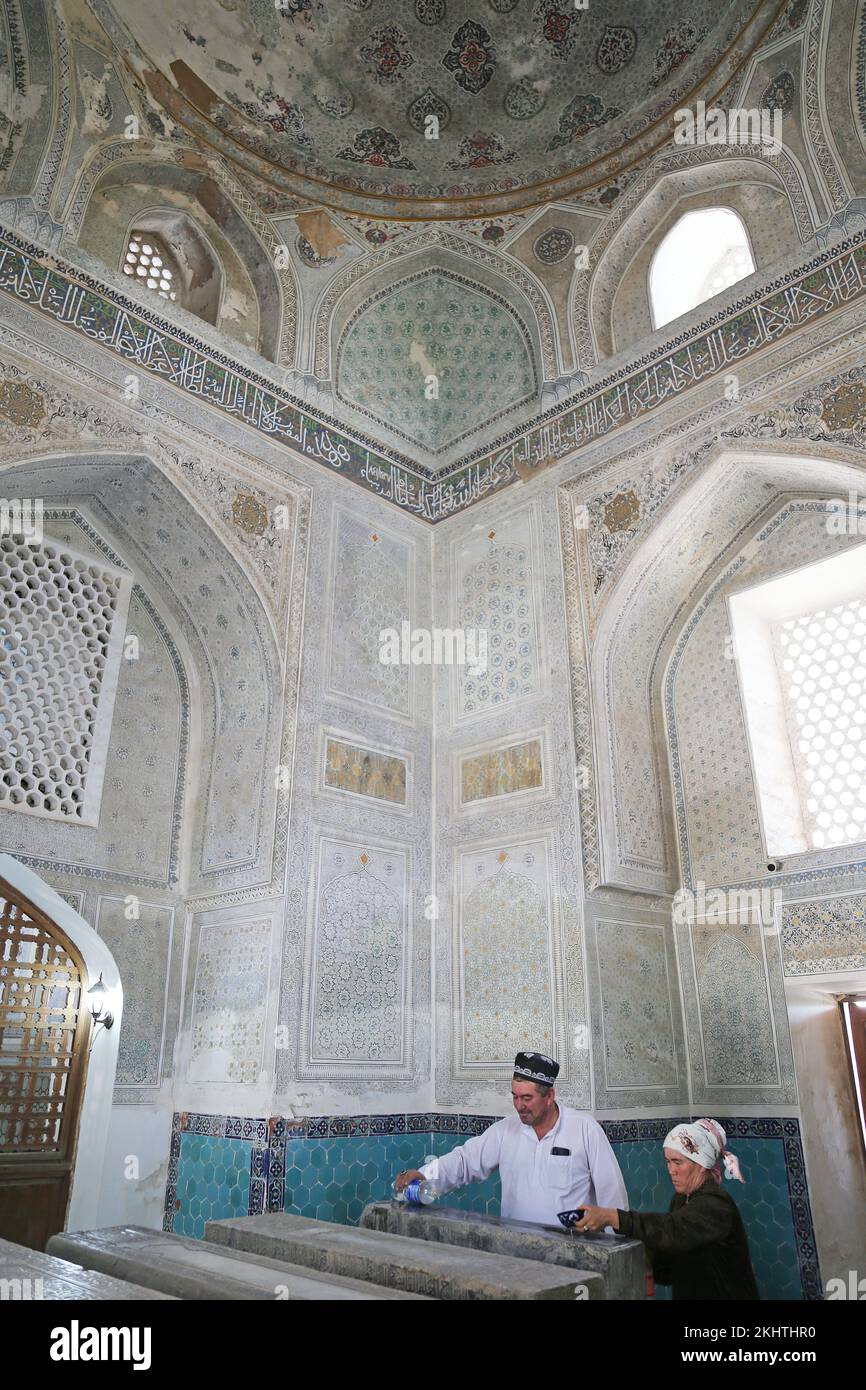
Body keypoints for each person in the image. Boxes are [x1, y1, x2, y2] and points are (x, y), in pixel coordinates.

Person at [394, 1050, 628, 1227]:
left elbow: (612, 1195)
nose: (519, 1106)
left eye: (527, 1098)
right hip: (517, 1250)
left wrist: (615, 1248)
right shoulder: (506, 1130)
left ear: (550, 1096)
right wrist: (426, 1174)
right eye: (515, 1097)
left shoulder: (585, 1129)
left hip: (574, 1252)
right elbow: (465, 1161)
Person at [573, 1118, 761, 1301]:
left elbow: (674, 1230)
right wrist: (644, 1258)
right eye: (668, 1162)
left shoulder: (716, 1205)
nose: (671, 1170)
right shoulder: (681, 1200)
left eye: (678, 1162)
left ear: (701, 1165)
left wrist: (614, 1218)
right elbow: (671, 1266)